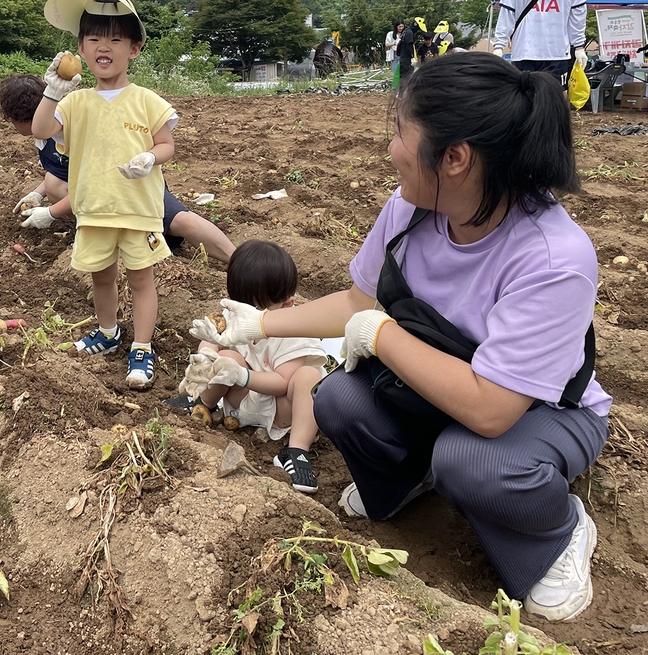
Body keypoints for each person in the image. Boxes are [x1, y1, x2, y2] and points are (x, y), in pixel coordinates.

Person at [206, 53, 611, 622]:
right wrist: (260, 324)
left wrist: (382, 334)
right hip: (445, 381)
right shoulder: (411, 209)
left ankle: (559, 530)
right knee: (336, 397)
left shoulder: (552, 257)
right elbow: (359, 301)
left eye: (401, 132)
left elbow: (491, 409)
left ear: (454, 157)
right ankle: (406, 478)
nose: (392, 148)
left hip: (541, 408)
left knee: (470, 460)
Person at [31, 0, 174, 390]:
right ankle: (109, 333)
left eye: (115, 38)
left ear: (135, 48)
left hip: (137, 209)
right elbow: (41, 130)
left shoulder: (146, 100)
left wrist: (151, 157)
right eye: (94, 38)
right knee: (101, 278)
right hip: (93, 210)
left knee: (141, 279)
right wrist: (53, 91)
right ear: (80, 47)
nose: (103, 46)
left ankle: (142, 347)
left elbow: (167, 144)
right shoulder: (76, 103)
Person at [0, 73, 234, 263]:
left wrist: (50, 213)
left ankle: (238, 261)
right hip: (103, 204)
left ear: (22, 118)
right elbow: (63, 173)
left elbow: (95, 184)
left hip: (130, 187)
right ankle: (105, 236)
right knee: (52, 182)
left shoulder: (72, 125)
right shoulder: (45, 137)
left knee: (183, 223)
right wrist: (39, 192)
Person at [180, 240, 329, 494]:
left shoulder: (296, 331)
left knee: (308, 377)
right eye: (241, 306)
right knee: (227, 356)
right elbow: (212, 338)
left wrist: (241, 374)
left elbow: (283, 382)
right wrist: (206, 356)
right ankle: (201, 402)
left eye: (258, 309)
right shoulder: (236, 314)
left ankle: (296, 451)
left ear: (287, 305)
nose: (246, 316)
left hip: (281, 412)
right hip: (243, 401)